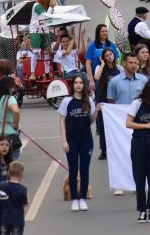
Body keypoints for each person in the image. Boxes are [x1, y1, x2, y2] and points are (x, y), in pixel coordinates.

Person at [58, 74, 101, 211]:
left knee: (84, 170)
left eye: (81, 83)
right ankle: (74, 199)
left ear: (84, 85)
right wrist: (64, 141)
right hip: (71, 140)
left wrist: (97, 111)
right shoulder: (67, 101)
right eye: (76, 82)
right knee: (73, 170)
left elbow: (91, 120)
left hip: (86, 140)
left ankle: (82, 198)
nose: (78, 85)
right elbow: (62, 121)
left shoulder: (88, 100)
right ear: (73, 85)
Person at [126, 77, 150, 223]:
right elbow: (128, 123)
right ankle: (142, 210)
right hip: (139, 143)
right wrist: (146, 126)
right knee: (139, 178)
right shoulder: (137, 103)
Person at [0, 77, 21, 157]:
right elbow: (16, 111)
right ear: (9, 87)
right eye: (13, 88)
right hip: (9, 133)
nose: (13, 90)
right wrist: (15, 125)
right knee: (13, 160)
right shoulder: (10, 99)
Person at [1, 162, 29, 235]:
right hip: (17, 218)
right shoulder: (22, 189)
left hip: (5, 217)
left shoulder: (3, 186)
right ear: (21, 174)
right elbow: (24, 204)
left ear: (9, 173)